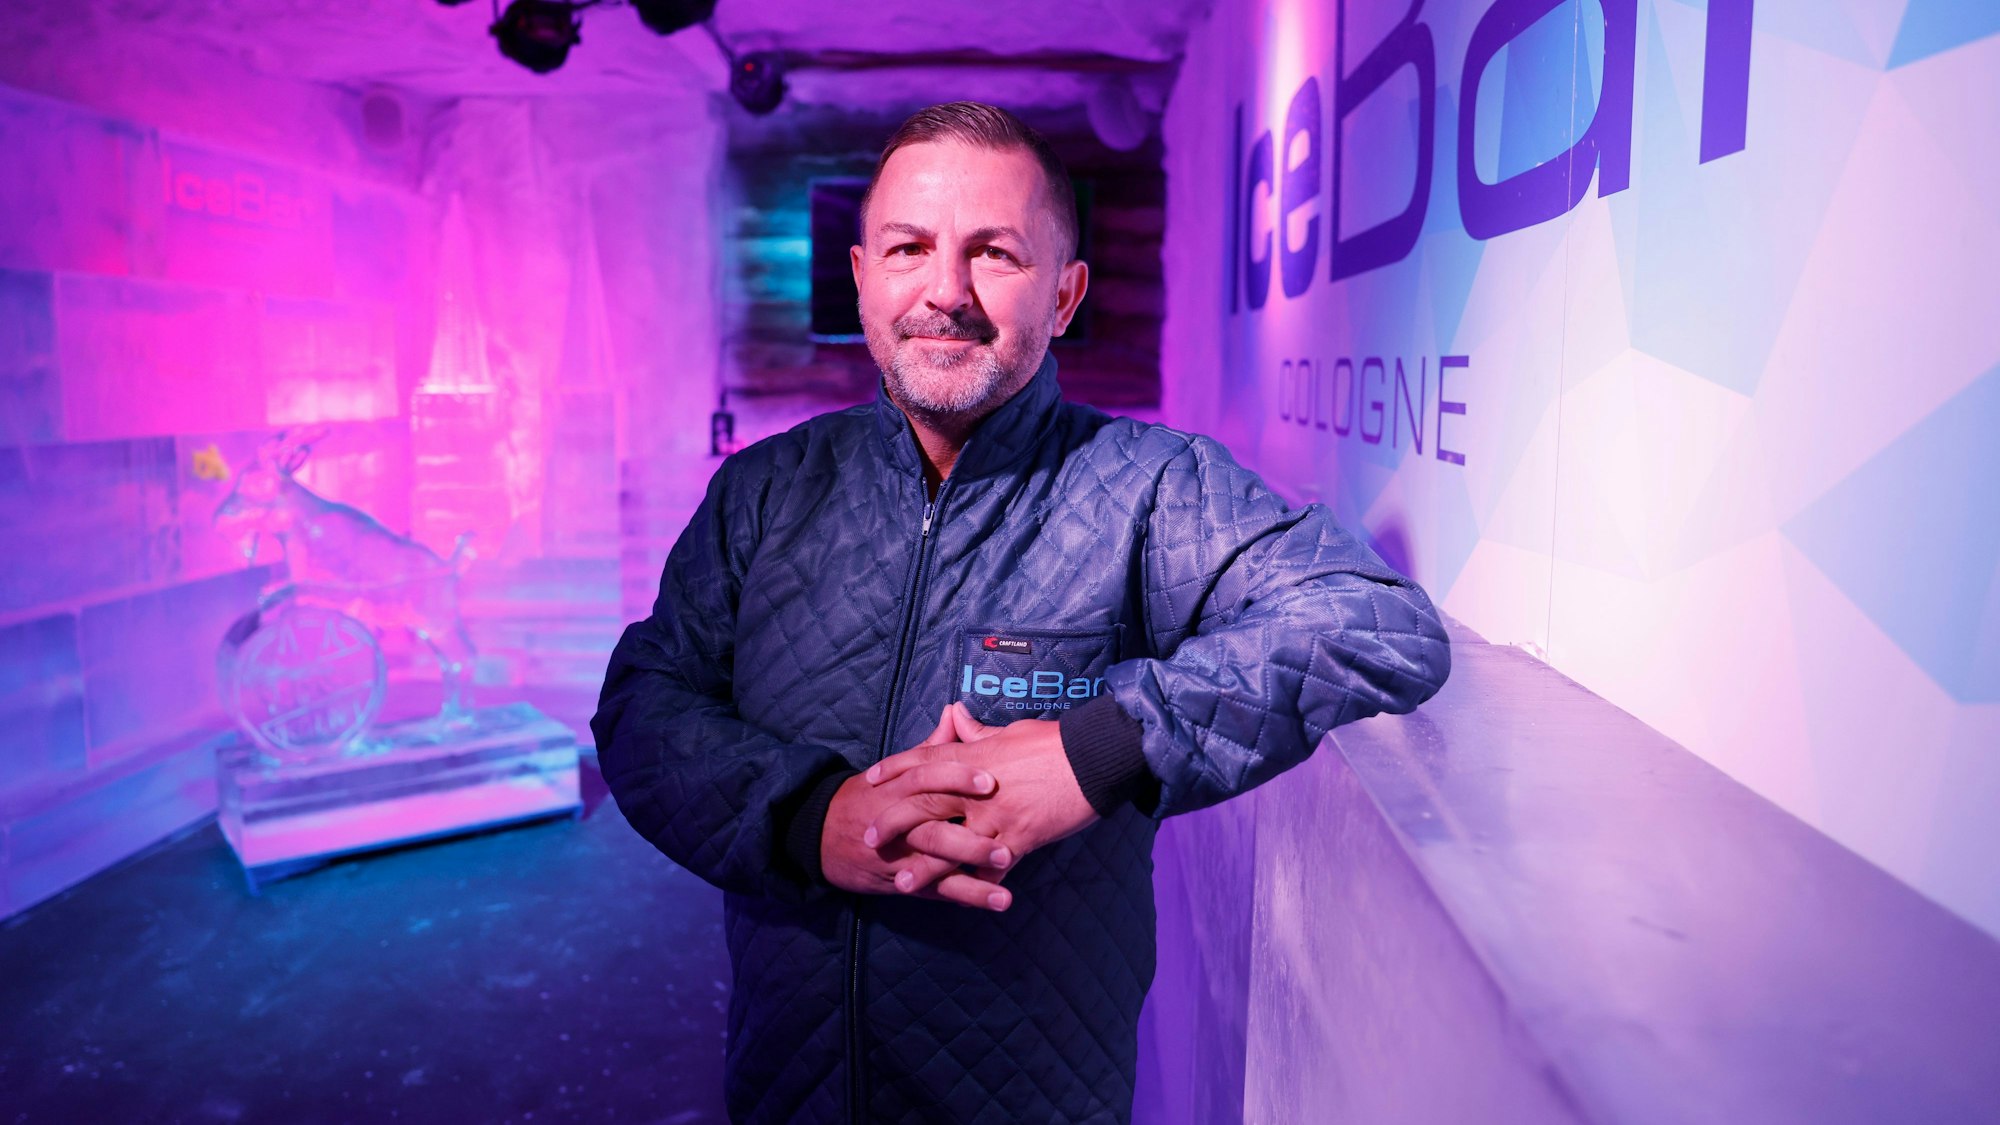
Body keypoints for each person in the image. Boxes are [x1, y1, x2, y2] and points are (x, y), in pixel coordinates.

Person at [592, 101, 1451, 1124]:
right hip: (788, 1085)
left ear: (1066, 292)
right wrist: (806, 816)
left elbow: (1371, 621)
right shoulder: (766, 490)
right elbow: (643, 708)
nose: (943, 293)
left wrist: (1104, 747)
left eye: (993, 254)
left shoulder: (1148, 486)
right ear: (864, 274)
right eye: (909, 248)